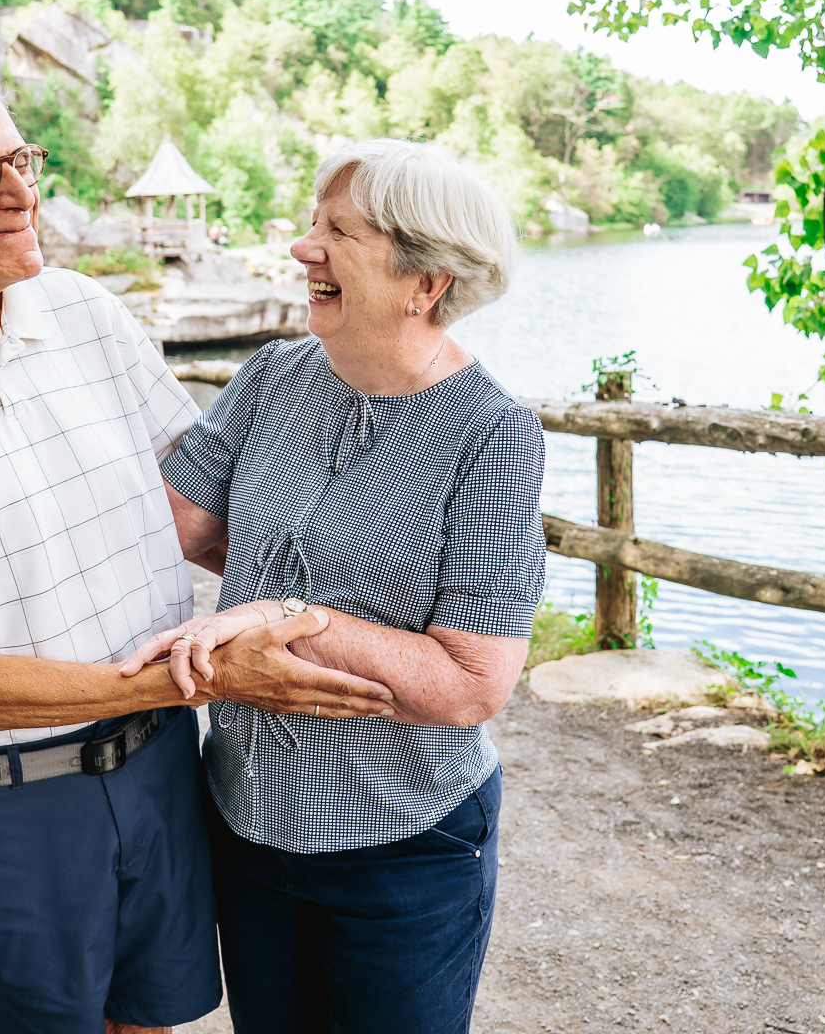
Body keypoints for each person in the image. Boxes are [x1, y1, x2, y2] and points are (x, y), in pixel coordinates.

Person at [0, 65, 394, 1034]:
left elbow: (201, 511)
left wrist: (391, 616)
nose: (21, 193)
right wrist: (202, 681)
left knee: (151, 1020)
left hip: (162, 768)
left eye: (21, 160)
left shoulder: (81, 311)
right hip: (11, 804)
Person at [123, 138, 546, 1034]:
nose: (302, 248)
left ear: (424, 281)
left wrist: (289, 616)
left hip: (403, 843)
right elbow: (175, 530)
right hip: (244, 821)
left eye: (338, 233)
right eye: (312, 224)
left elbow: (474, 685)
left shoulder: (493, 434)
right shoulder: (273, 377)